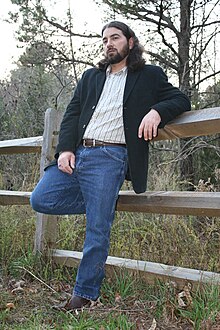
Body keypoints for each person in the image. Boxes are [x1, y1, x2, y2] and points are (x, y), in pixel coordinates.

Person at [30, 20, 191, 310]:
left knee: (97, 228)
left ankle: (85, 295)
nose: (108, 43)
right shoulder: (91, 76)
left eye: (115, 37)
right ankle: (100, 202)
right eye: (105, 39)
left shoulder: (148, 75)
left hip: (110, 158)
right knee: (41, 198)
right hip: (78, 154)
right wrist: (65, 149)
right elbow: (72, 113)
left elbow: (180, 99)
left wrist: (156, 112)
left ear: (130, 42)